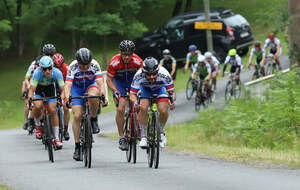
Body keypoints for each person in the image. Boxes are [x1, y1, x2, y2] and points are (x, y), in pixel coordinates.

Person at [65, 48, 107, 161]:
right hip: (76, 88)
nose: (85, 67)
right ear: (78, 62)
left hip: (90, 85)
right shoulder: (72, 66)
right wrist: (67, 99)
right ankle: (77, 146)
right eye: (82, 65)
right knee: (77, 115)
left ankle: (93, 119)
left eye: (87, 65)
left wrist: (103, 96)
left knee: (94, 96)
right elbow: (68, 85)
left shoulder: (94, 64)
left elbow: (100, 83)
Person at [130, 57, 176, 148]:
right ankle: (143, 137)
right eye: (148, 74)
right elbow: (132, 94)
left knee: (163, 110)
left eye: (154, 74)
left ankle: (161, 132)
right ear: (144, 73)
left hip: (160, 89)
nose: (152, 77)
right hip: (145, 90)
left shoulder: (164, 73)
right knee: (143, 108)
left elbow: (172, 92)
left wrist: (172, 101)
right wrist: (136, 103)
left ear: (158, 71)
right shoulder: (138, 75)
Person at [106, 40, 143, 151]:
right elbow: (109, 80)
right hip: (119, 84)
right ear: (120, 52)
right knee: (120, 108)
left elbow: (143, 77)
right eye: (124, 54)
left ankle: (140, 129)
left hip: (133, 82)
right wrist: (115, 91)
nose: (127, 57)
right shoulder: (114, 62)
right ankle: (122, 137)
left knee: (140, 105)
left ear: (133, 53)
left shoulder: (138, 61)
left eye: (129, 54)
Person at [27, 56, 64, 149]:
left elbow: (63, 90)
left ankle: (56, 139)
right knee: (38, 106)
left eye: (49, 68)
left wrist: (62, 99)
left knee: (53, 110)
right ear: (40, 68)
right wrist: (30, 101)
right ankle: (38, 125)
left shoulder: (57, 73)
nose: (47, 71)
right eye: (44, 69)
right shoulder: (37, 73)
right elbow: (31, 90)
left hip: (50, 89)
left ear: (52, 67)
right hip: (39, 90)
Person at [22, 44, 56, 130]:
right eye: (47, 54)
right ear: (43, 54)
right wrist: (29, 86)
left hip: (49, 85)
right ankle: (29, 120)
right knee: (32, 102)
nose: (49, 56)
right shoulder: (35, 63)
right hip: (34, 84)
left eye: (51, 54)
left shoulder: (55, 62)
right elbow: (26, 78)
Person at [53, 53, 70, 141]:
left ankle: (66, 130)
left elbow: (68, 84)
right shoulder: (50, 70)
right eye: (56, 67)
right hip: (54, 88)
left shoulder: (67, 69)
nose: (59, 69)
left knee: (66, 107)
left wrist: (65, 96)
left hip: (64, 87)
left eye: (60, 66)